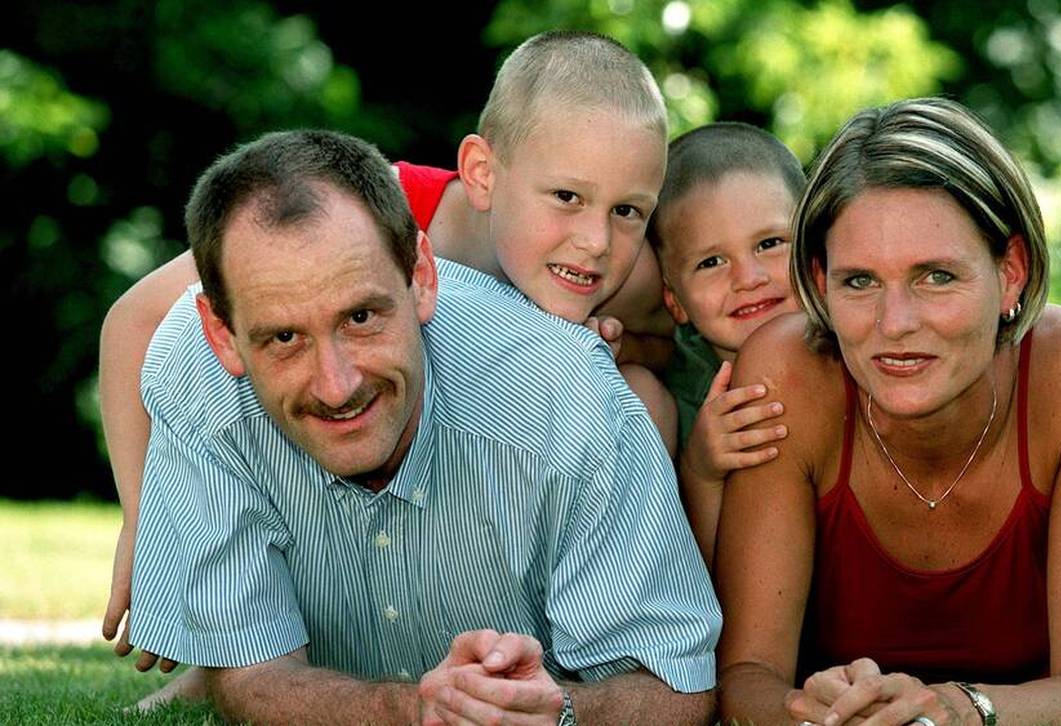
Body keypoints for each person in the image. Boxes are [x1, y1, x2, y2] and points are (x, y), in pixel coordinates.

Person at [98, 30, 681, 706]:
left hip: (487, 467)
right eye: (566, 198)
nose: (596, 239)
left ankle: (581, 628)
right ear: (483, 175)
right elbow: (135, 322)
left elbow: (674, 350)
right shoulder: (386, 213)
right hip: (366, 442)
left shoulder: (622, 271)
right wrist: (148, 521)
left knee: (645, 402)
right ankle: (235, 647)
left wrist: (622, 351)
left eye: (628, 210)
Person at [712, 97, 1061, 726]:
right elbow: (745, 680)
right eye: (860, 281)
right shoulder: (785, 374)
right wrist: (812, 713)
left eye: (936, 276)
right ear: (820, 280)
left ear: (1011, 272)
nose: (895, 324)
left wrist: (958, 709)